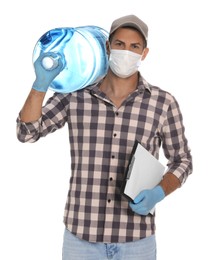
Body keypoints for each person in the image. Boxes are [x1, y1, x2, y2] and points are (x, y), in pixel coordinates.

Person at [16, 14, 193, 260]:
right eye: (119, 44)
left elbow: (183, 160)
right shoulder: (75, 95)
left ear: (144, 53)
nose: (126, 52)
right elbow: (27, 132)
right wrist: (40, 85)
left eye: (134, 47)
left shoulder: (162, 102)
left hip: (137, 239)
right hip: (81, 239)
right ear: (108, 47)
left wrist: (159, 192)